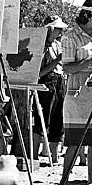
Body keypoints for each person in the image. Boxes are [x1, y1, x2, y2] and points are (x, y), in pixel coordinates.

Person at [60, 0, 92, 185]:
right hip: (79, 91)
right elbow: (68, 68)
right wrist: (91, 61)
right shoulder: (71, 38)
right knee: (75, 139)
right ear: (88, 16)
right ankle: (64, 180)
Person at [38, 14, 67, 165]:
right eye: (57, 29)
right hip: (47, 82)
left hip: (59, 81)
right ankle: (43, 152)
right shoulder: (40, 46)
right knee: (44, 117)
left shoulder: (57, 44)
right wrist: (57, 60)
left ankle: (54, 157)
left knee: (58, 118)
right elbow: (40, 72)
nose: (60, 33)